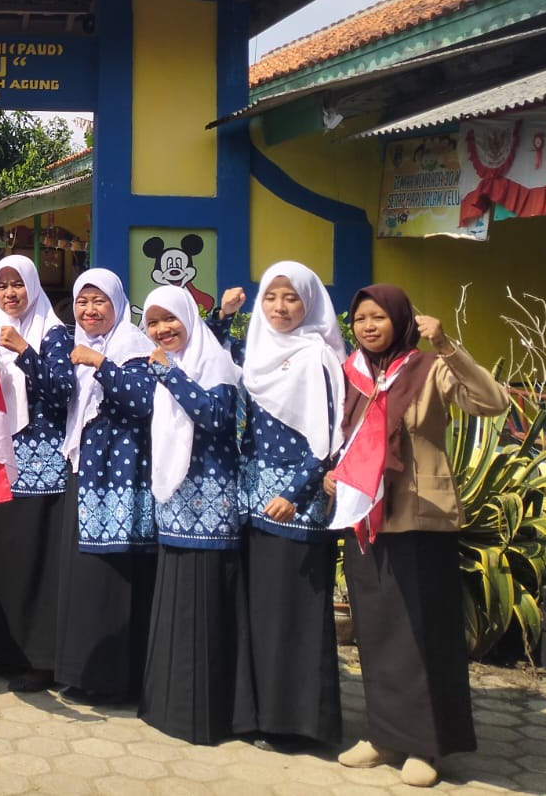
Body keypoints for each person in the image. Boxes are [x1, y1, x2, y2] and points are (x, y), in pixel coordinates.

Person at [334, 285, 508, 788]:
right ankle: (385, 735)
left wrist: (448, 345)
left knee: (424, 632)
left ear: (401, 319)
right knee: (378, 631)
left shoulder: (430, 369)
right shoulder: (355, 374)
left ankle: (428, 745)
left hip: (420, 516)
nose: (368, 326)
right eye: (361, 318)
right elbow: (344, 435)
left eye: (379, 317)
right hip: (366, 514)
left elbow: (491, 401)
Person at [229, 260, 346, 749]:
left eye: (291, 298)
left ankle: (301, 724)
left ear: (310, 302)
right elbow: (209, 356)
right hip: (254, 500)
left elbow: (329, 439)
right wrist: (220, 314)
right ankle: (258, 716)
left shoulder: (318, 357)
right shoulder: (256, 350)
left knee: (295, 613)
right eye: (272, 297)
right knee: (260, 611)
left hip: (295, 507)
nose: (279, 308)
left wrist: (295, 494)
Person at [135, 284, 248, 744]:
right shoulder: (176, 363)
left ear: (189, 319)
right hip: (176, 503)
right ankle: (167, 706)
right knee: (176, 598)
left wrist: (169, 376)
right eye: (154, 323)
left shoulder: (214, 363)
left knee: (203, 604)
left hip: (211, 505)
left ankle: (202, 716)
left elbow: (216, 415)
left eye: (170, 320)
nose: (162, 330)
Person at [49, 267, 157, 703]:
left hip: (122, 476)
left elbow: (144, 399)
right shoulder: (78, 344)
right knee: (83, 572)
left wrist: (102, 365)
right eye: (82, 301)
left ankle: (116, 681)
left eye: (99, 302)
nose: (89, 310)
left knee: (113, 572)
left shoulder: (133, 344)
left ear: (117, 305)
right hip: (84, 471)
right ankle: (83, 671)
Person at [0, 254, 67, 690]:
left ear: (32, 286)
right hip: (4, 456)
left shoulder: (52, 332)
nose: (10, 294)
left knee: (37, 556)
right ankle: (5, 649)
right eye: (2, 286)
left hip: (43, 462)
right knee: (5, 552)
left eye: (17, 284)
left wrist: (26, 352)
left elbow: (63, 387)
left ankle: (41, 658)